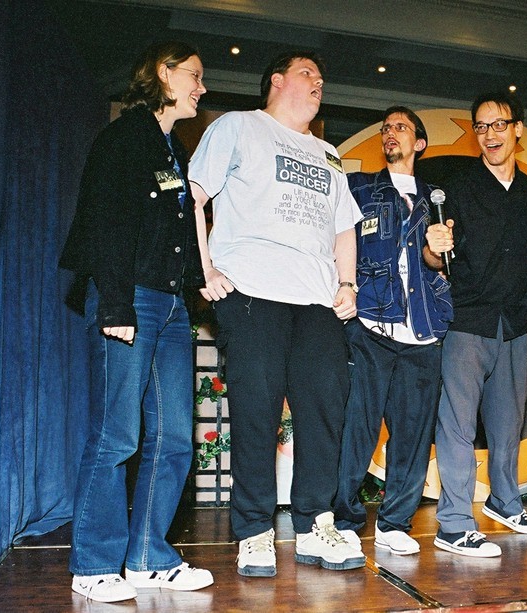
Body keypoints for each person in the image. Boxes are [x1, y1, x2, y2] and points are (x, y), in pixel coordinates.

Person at [188, 51, 365, 578]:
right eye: (308, 73)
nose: (319, 81)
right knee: (256, 411)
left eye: (321, 76)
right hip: (252, 291)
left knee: (325, 407)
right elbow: (192, 198)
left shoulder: (329, 154)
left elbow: (344, 228)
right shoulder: (238, 127)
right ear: (277, 81)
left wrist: (347, 283)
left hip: (317, 300)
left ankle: (315, 523)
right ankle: (254, 531)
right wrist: (204, 267)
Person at [60, 41, 214, 602]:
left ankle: (148, 557)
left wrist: (201, 277)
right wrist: (116, 306)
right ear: (163, 74)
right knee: (117, 435)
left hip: (171, 306)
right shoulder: (124, 138)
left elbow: (173, 229)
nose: (201, 87)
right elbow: (105, 223)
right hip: (131, 300)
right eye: (194, 75)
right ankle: (93, 564)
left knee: (173, 437)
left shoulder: (173, 150)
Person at [425, 91, 527, 558]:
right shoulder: (457, 188)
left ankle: (504, 501)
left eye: (499, 124)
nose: (490, 134)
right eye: (481, 127)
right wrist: (432, 246)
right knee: (458, 426)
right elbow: (435, 257)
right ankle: (454, 525)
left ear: (518, 129)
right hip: (467, 320)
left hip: (514, 322)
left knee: (507, 424)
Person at [332, 107, 453, 556]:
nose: (390, 133)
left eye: (400, 127)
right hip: (371, 323)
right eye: (386, 128)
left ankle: (395, 522)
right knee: (357, 427)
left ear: (419, 143)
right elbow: (336, 241)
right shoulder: (358, 188)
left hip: (423, 330)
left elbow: (441, 262)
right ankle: (345, 519)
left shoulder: (437, 199)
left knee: (414, 433)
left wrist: (436, 250)